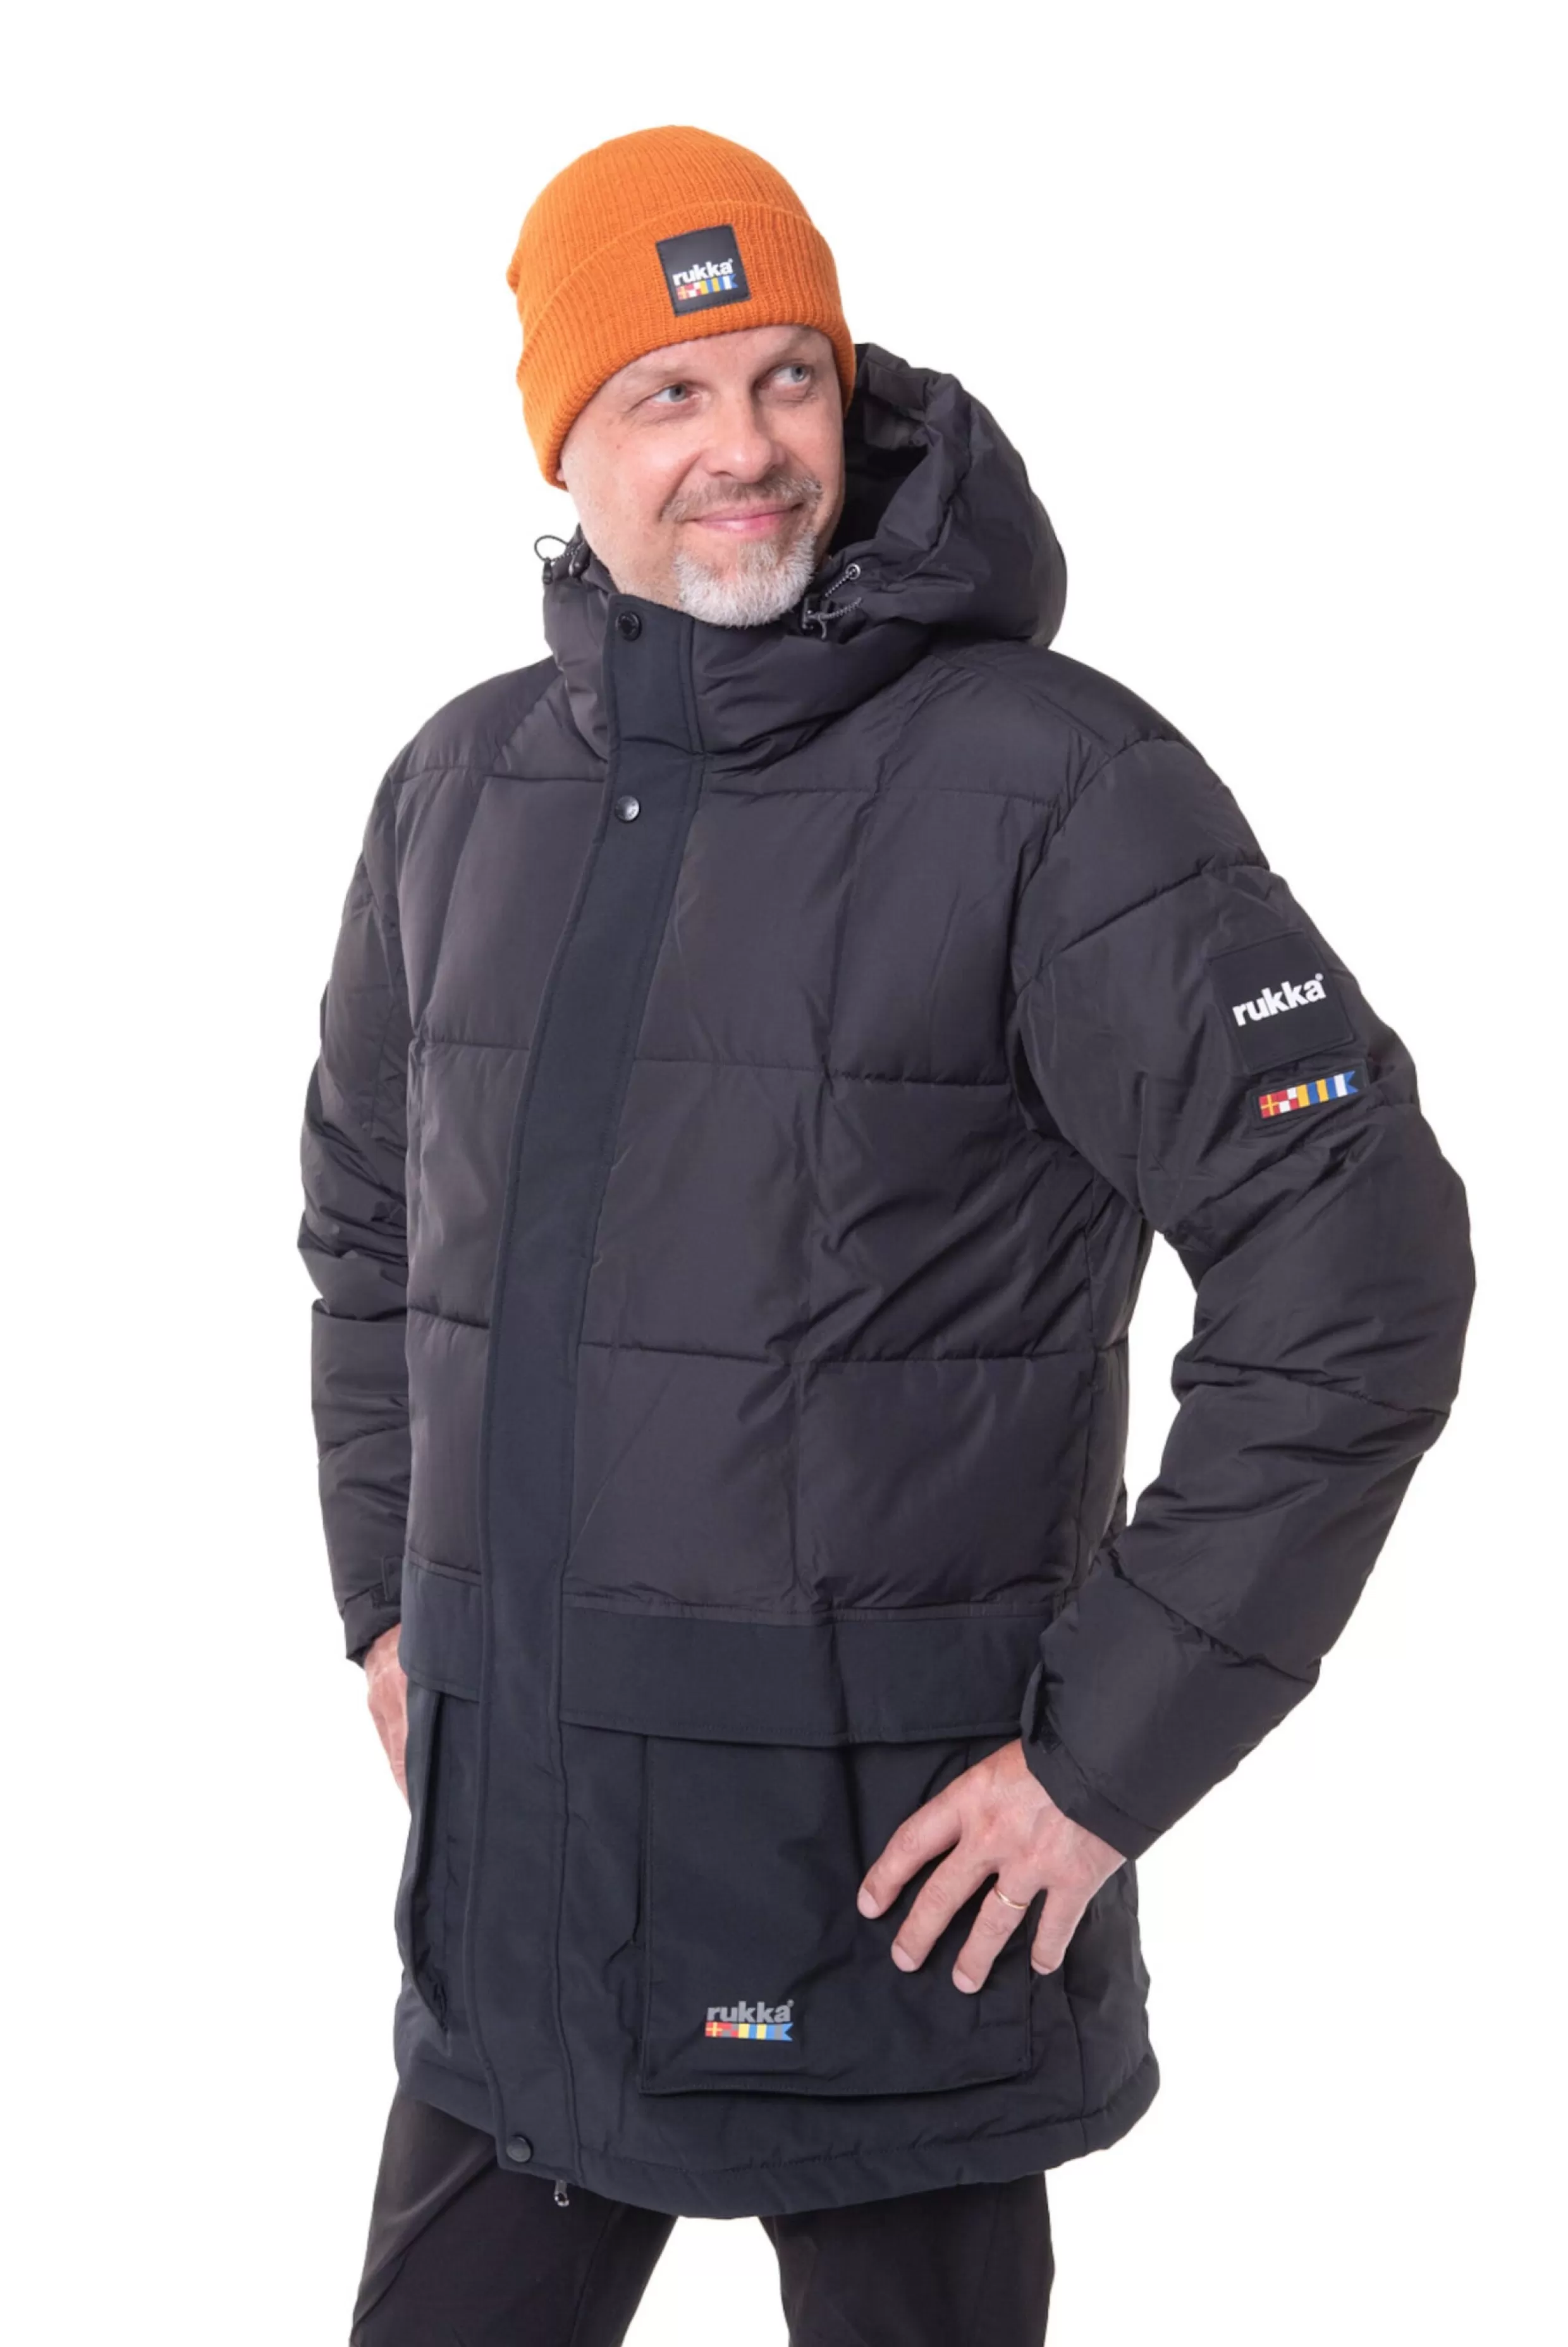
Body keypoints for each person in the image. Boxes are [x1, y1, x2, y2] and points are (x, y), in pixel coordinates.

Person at [297, 124, 1475, 2346]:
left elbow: (1359, 1260)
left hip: (901, 1901)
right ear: (564, 440)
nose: (746, 448)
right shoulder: (460, 792)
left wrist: (1108, 1760)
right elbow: (370, 1226)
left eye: (789, 378)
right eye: (669, 390)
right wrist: (390, 1602)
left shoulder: (1053, 785)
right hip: (520, 1885)